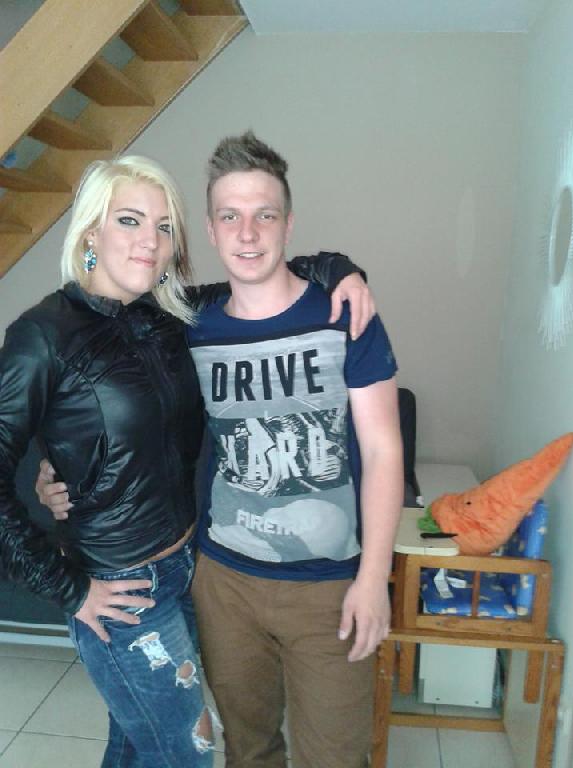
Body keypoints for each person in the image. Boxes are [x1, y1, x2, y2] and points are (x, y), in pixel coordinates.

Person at [0, 153, 372, 768]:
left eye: (164, 226)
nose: (150, 241)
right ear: (90, 231)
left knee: (136, 743)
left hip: (190, 568)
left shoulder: (171, 318)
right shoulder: (42, 335)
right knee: (188, 751)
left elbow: (265, 270)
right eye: (129, 220)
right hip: (122, 586)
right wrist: (70, 589)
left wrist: (342, 270)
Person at [186, 132, 403, 768]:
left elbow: (384, 452)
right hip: (225, 582)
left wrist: (374, 578)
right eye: (230, 216)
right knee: (248, 750)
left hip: (329, 587)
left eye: (265, 214)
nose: (248, 233)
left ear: (289, 223)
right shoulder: (190, 327)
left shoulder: (344, 315)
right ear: (211, 229)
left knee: (334, 757)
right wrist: (59, 466)